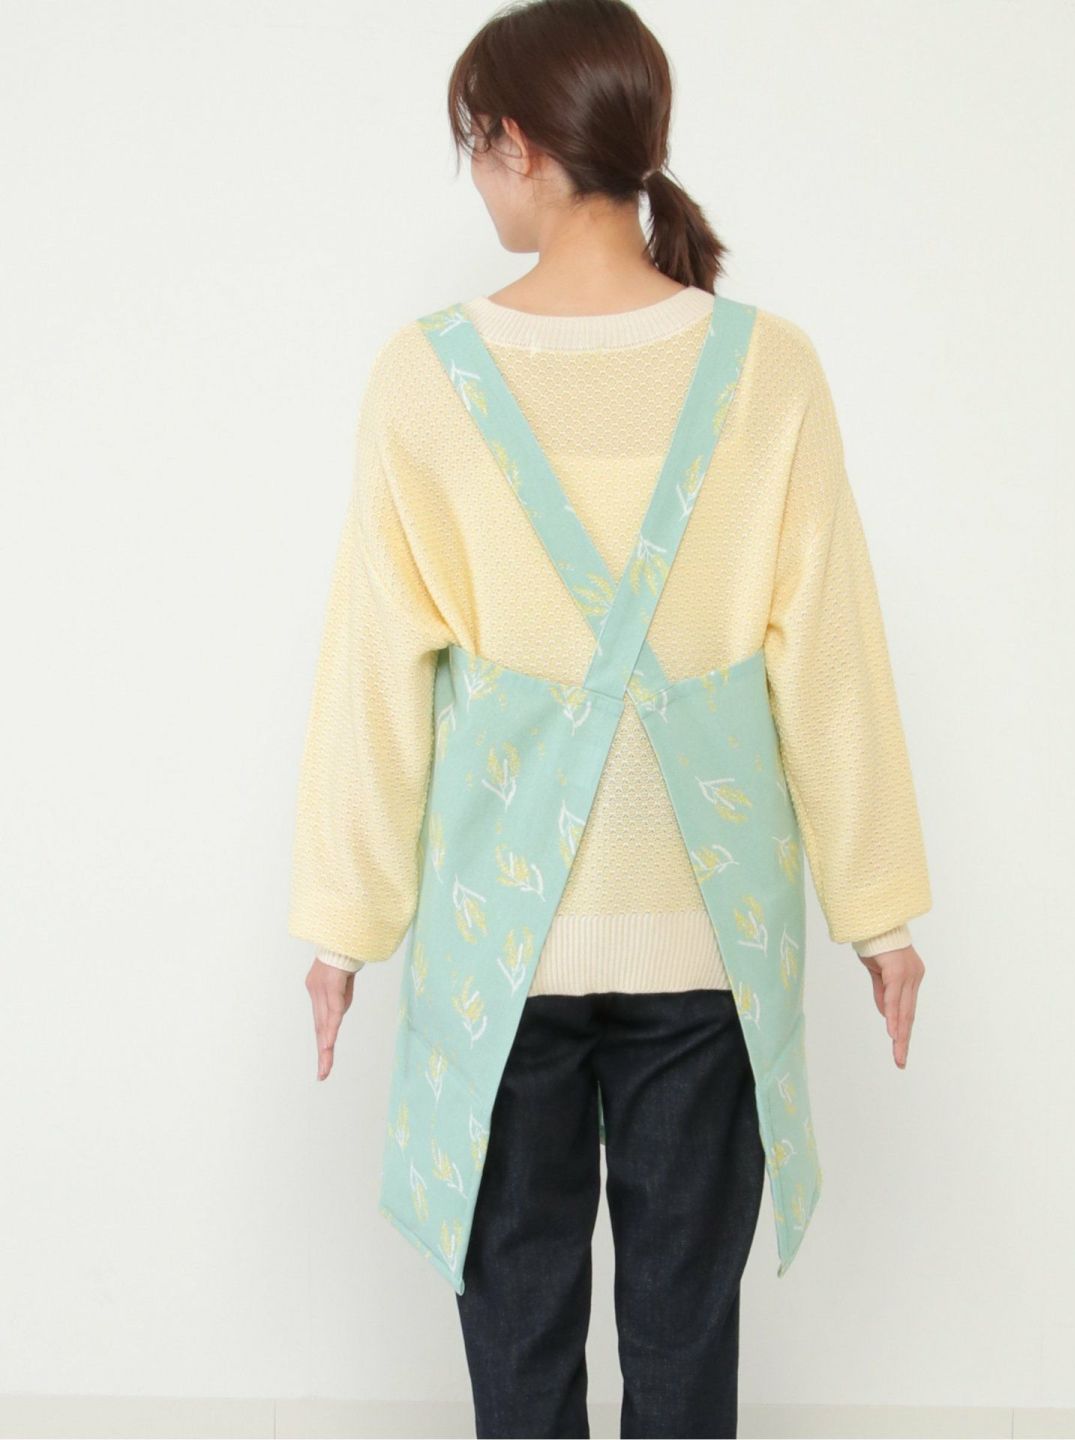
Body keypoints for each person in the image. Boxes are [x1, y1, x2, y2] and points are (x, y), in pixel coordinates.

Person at [288, 1, 932, 1434]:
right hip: (712, 938)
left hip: (495, 948)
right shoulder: (768, 366)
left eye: (475, 147)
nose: (477, 178)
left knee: (517, 1347)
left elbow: (374, 670)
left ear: (517, 143)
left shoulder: (425, 374)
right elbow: (830, 653)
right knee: (686, 1343)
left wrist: (342, 927)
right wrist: (878, 911)